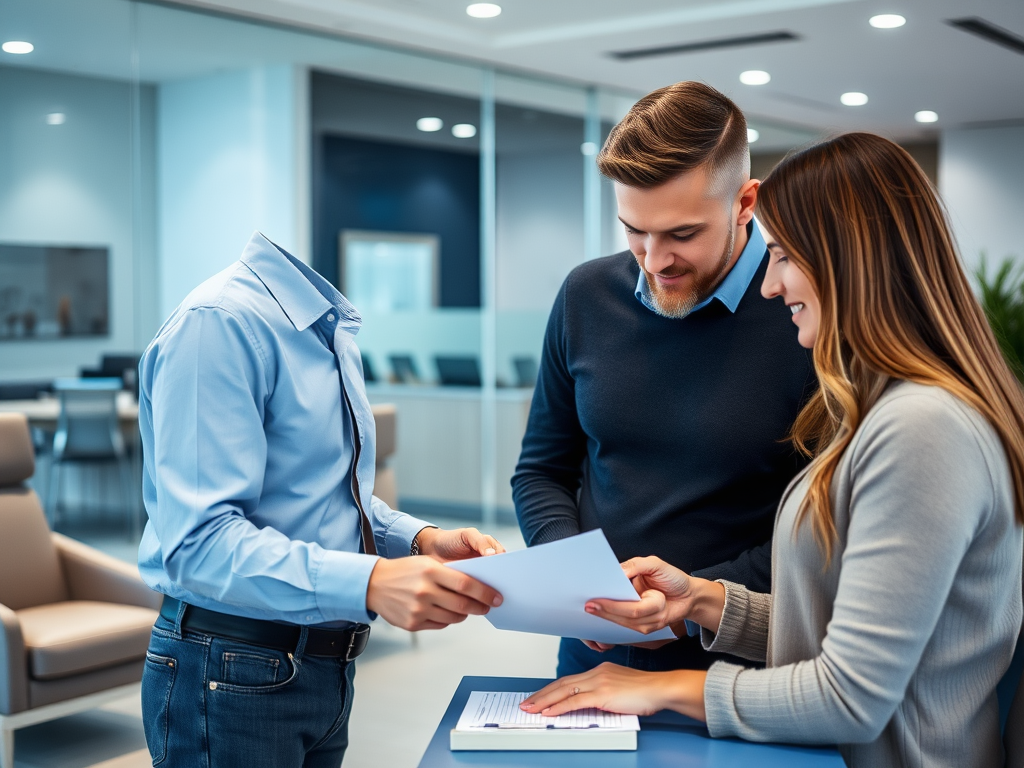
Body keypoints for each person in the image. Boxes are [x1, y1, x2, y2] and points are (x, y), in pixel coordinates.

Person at [520, 133, 1024, 768]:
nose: (769, 283)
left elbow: (849, 694)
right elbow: (830, 625)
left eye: (783, 256)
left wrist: (662, 688)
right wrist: (699, 600)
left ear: (850, 262)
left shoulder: (922, 429)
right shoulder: (894, 415)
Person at [137, 232, 506, 767]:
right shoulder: (218, 325)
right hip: (230, 668)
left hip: (322, 668)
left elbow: (328, 498)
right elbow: (198, 543)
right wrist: (372, 581)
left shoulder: (328, 331)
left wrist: (420, 540)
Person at [512, 81, 815, 677]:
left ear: (745, 203)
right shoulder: (585, 295)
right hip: (592, 647)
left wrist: (690, 606)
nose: (653, 262)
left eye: (682, 234)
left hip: (742, 662)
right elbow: (541, 469)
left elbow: (820, 526)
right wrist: (575, 584)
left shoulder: (803, 311)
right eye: (634, 230)